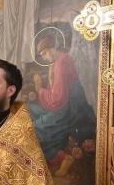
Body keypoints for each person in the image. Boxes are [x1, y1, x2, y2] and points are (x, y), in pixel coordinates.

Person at [32, 35, 96, 176]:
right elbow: (59, 91)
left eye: (45, 53)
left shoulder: (62, 61)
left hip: (69, 110)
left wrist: (39, 90)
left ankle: (62, 158)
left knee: (36, 130)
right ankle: (63, 158)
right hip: (70, 106)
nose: (45, 58)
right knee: (38, 127)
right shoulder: (63, 60)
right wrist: (51, 79)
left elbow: (58, 99)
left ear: (53, 47)